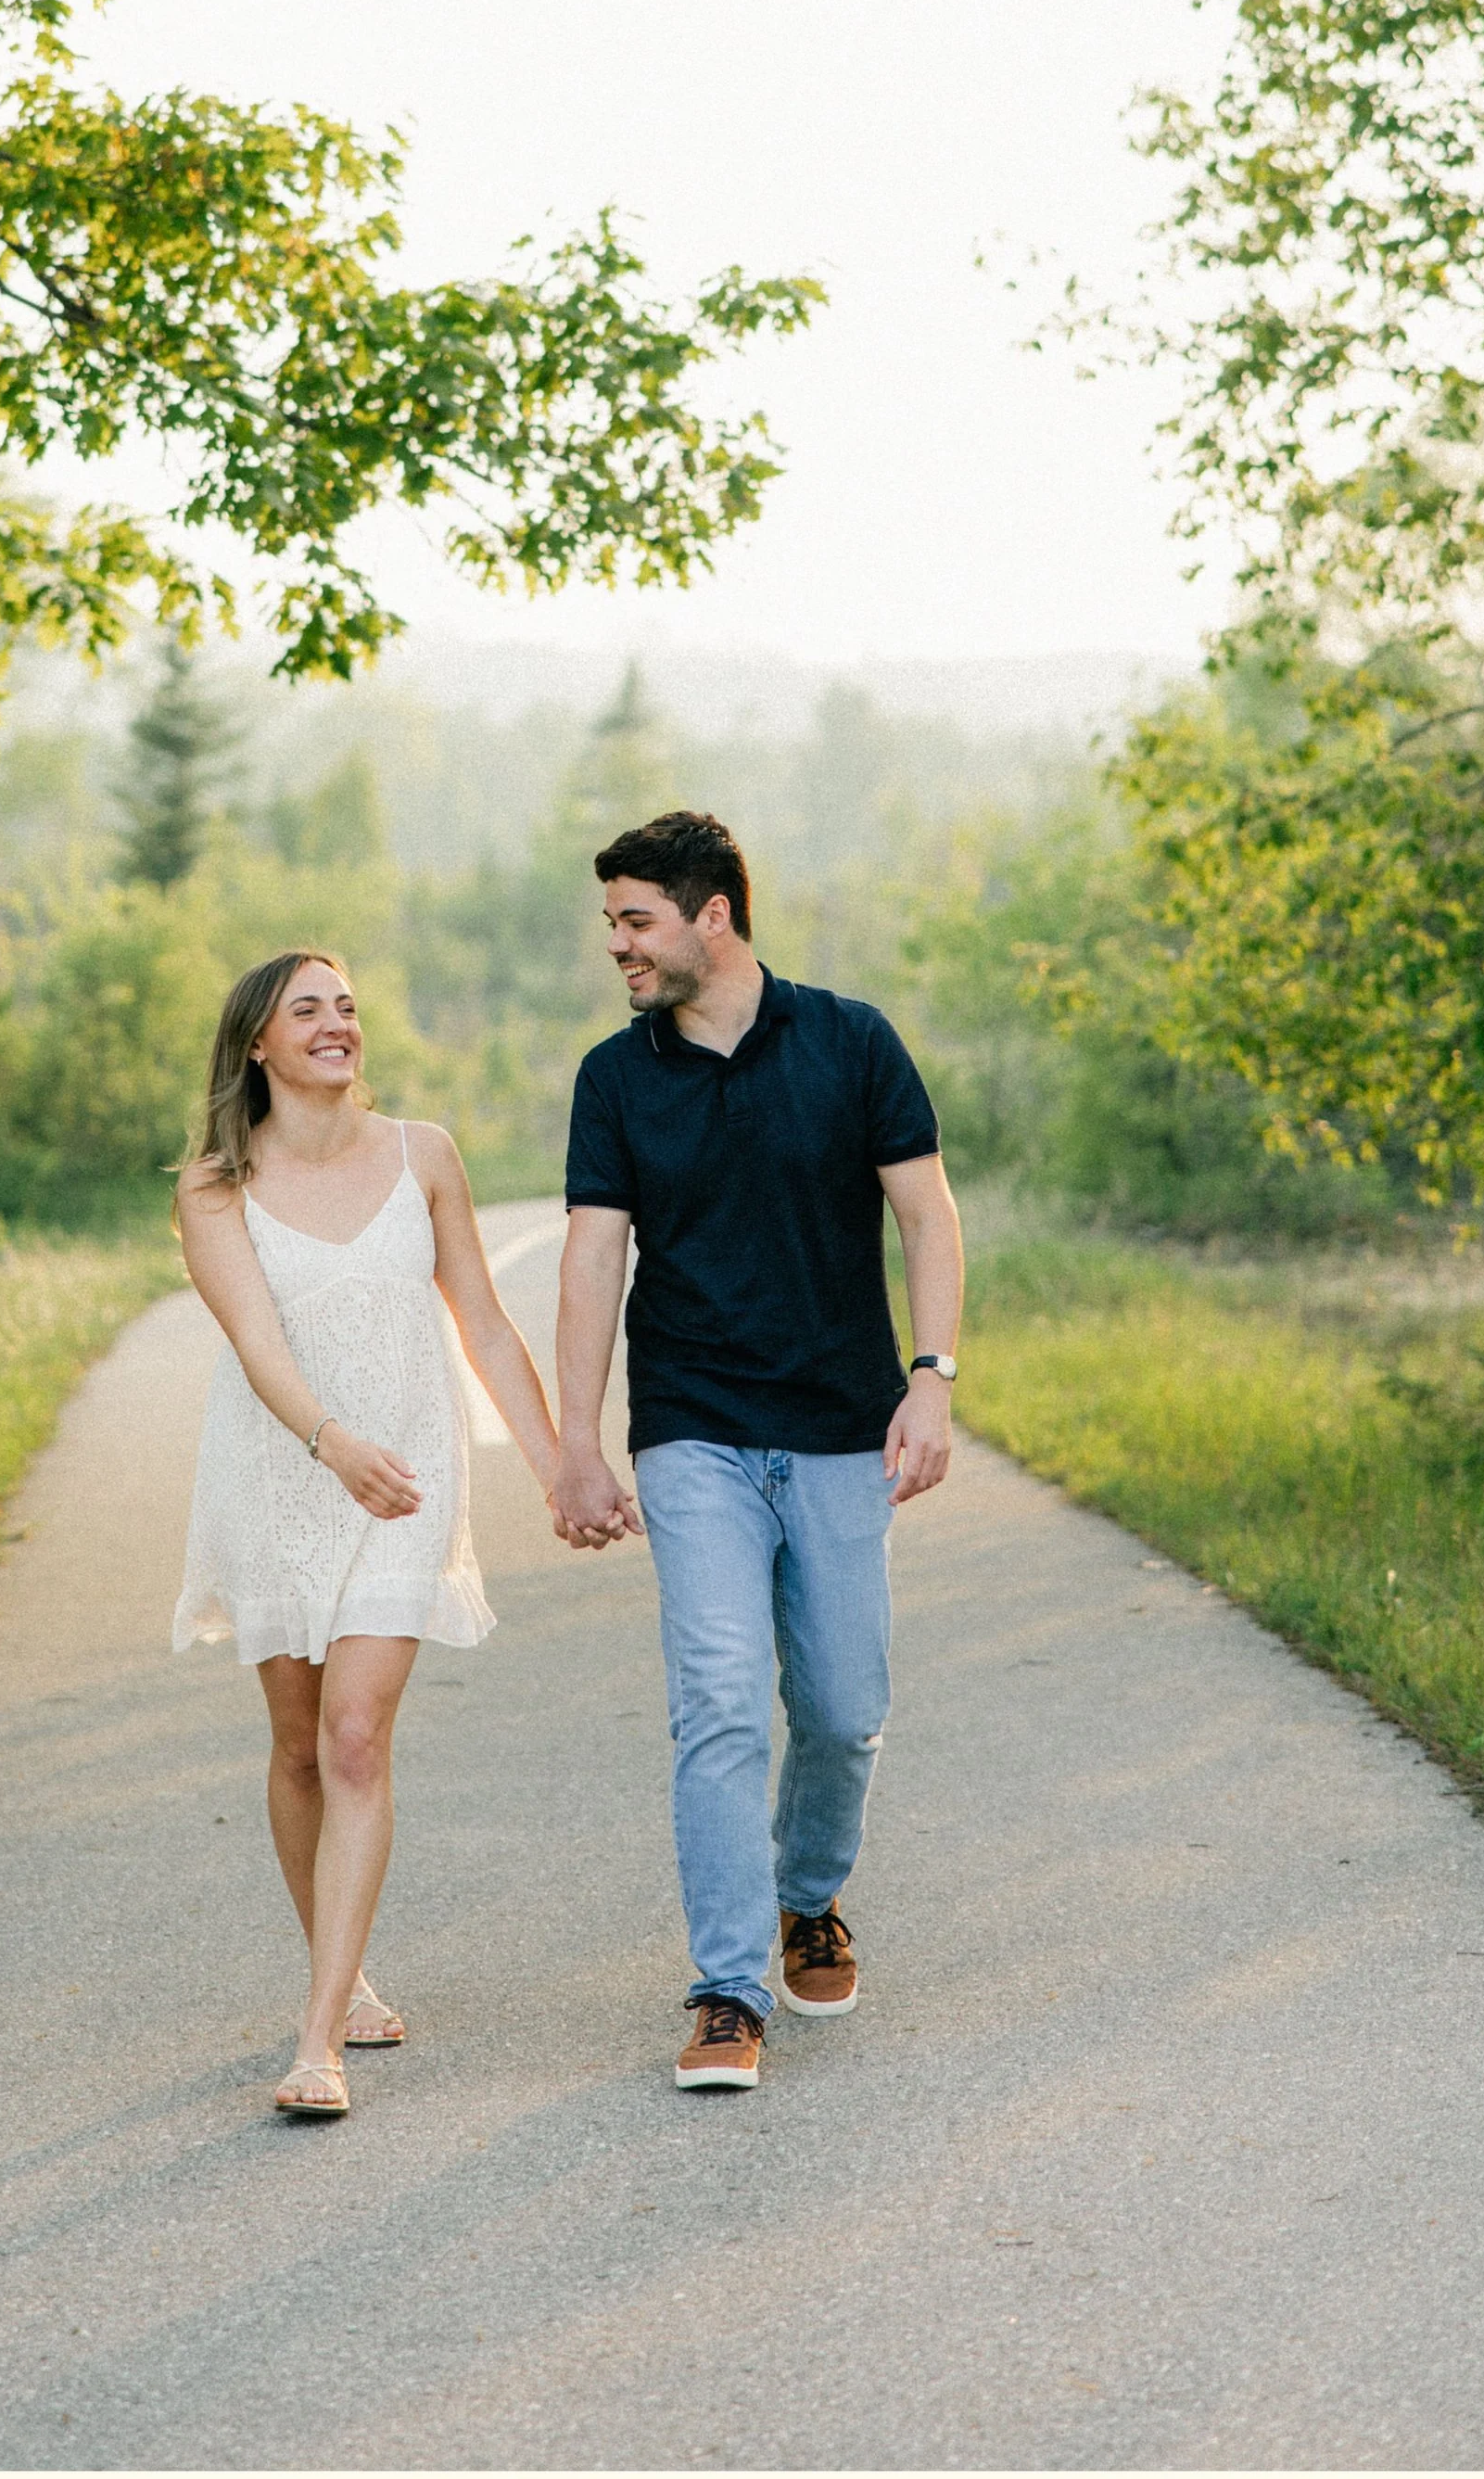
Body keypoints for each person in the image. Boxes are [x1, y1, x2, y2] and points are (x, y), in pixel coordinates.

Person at [550, 812, 964, 2091]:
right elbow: (589, 1261)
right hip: (695, 1432)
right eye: (611, 919)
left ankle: (809, 1895)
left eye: (635, 918)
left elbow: (926, 1213)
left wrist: (932, 1378)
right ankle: (727, 1987)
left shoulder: (850, 1040)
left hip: (841, 1428)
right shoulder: (614, 1080)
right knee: (721, 1696)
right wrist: (576, 1439)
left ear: (710, 914)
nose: (615, 941)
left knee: (843, 1707)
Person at [173, 947, 562, 2119]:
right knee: (296, 1746)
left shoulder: (423, 1154)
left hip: (407, 1476)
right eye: (309, 1010)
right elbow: (257, 1345)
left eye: (347, 1006)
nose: (338, 1024)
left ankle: (314, 2042)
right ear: (258, 1045)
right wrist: (330, 1445)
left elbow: (485, 1327)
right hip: (283, 1476)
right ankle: (343, 1981)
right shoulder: (212, 1187)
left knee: (352, 1737)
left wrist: (560, 1468)